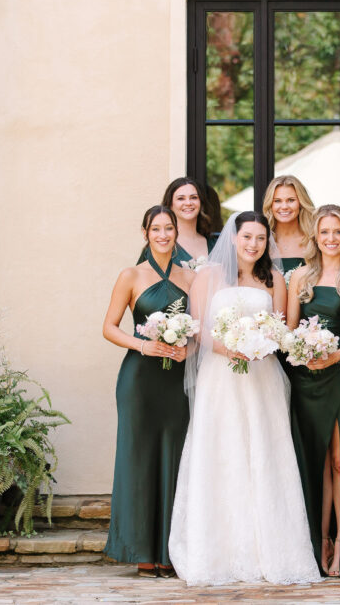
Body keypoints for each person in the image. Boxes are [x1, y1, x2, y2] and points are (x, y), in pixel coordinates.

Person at [168, 212, 320, 586]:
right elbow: (199, 328)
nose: (253, 244)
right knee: (222, 452)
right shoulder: (208, 276)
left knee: (263, 453)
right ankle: (217, 551)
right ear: (233, 239)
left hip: (262, 377)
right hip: (220, 377)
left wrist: (261, 343)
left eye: (260, 239)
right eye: (247, 237)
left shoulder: (274, 280)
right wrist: (229, 348)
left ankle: (269, 548)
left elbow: (282, 327)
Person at [102, 206, 194, 577]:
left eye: (168, 228)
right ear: (145, 232)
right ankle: (141, 549)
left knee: (175, 457)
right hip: (140, 378)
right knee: (138, 460)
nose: (162, 235)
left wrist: (190, 346)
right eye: (155, 229)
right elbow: (109, 327)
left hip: (177, 381)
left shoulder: (190, 278)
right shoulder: (131, 275)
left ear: (176, 233)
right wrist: (144, 345)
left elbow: (199, 326)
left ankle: (169, 550)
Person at [286, 205, 340, 577]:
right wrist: (303, 351)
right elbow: (288, 330)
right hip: (307, 379)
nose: (331, 239)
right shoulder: (300, 277)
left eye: (338, 232)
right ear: (315, 237)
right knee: (315, 462)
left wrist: (334, 354)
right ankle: (318, 541)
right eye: (325, 232)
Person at [262, 174, 315, 275]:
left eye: (291, 200)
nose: (284, 206)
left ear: (301, 203)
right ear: (270, 205)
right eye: (277, 201)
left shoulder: (314, 240)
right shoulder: (261, 241)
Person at [162, 177, 218, 266]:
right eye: (181, 198)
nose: (188, 203)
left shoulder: (215, 244)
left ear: (201, 203)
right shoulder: (161, 243)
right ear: (170, 205)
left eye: (194, 197)